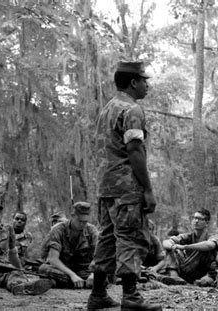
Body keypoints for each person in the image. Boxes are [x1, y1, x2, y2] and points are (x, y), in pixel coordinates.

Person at [87, 61, 161, 311]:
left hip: (106, 185)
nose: (147, 85)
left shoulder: (107, 109)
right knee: (130, 236)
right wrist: (148, 189)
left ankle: (98, 294)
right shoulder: (132, 110)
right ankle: (131, 297)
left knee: (107, 238)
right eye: (144, 80)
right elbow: (135, 150)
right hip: (126, 187)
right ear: (133, 82)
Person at [39, 202, 98, 289]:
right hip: (64, 270)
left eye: (85, 222)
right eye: (80, 221)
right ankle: (81, 283)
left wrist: (93, 274)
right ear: (72, 216)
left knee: (103, 274)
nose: (82, 224)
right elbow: (53, 259)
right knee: (43, 269)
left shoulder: (92, 230)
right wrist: (72, 275)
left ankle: (58, 283)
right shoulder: (58, 230)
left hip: (84, 271)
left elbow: (99, 257)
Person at [161, 209, 218, 286]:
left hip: (205, 271)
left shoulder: (211, 236)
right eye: (195, 218)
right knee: (170, 249)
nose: (196, 221)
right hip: (188, 269)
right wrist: (173, 246)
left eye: (200, 219)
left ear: (207, 222)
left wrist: (185, 247)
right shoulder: (188, 236)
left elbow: (210, 245)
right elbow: (165, 242)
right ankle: (174, 276)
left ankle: (205, 281)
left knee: (203, 248)